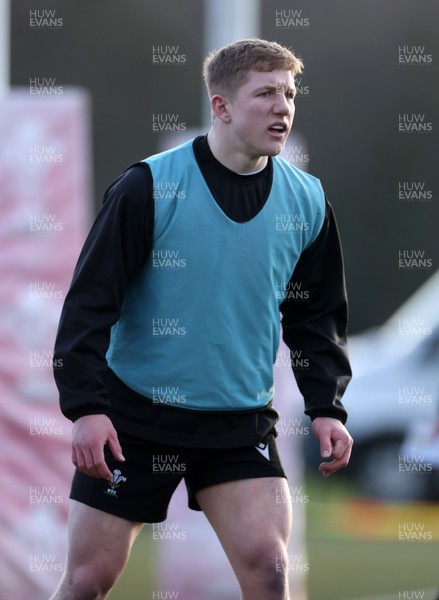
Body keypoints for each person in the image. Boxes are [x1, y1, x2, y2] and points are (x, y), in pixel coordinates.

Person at [50, 39, 353, 600]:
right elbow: (89, 304)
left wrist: (325, 407)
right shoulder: (147, 187)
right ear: (222, 107)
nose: (283, 106)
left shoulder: (308, 201)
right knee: (87, 581)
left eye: (289, 93)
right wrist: (86, 408)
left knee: (269, 568)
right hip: (133, 420)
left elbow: (315, 318)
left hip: (238, 424)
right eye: (265, 93)